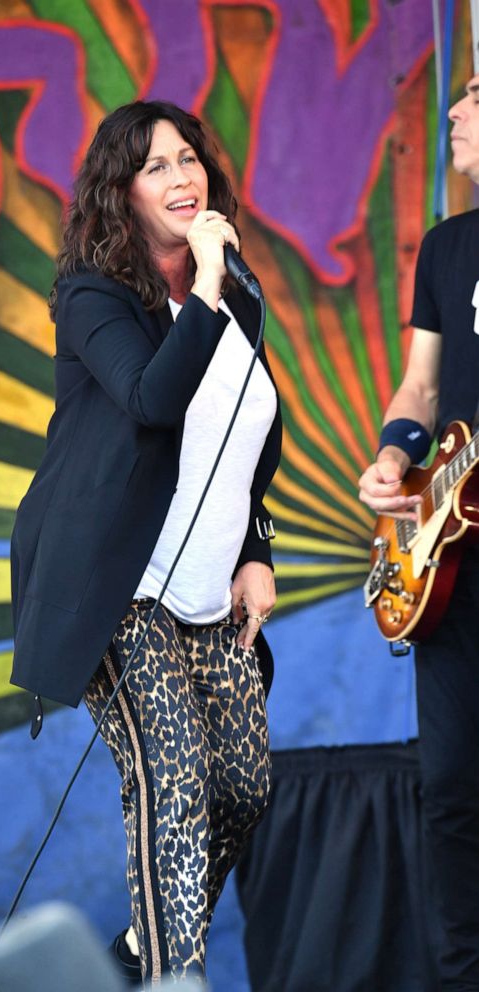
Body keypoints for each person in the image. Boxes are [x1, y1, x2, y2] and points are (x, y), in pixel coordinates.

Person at [10, 100, 282, 985]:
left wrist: (257, 551)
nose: (182, 176)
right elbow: (155, 398)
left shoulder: (238, 298)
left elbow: (250, 439)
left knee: (242, 788)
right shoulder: (95, 296)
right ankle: (174, 977)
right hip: (117, 587)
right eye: (156, 165)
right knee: (174, 783)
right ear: (120, 192)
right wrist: (201, 284)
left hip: (207, 592)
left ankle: (138, 951)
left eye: (189, 157)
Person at [359, 74, 479, 990]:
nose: (451, 111)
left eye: (474, 94)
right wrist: (397, 459)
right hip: (455, 564)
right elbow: (421, 392)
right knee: (450, 796)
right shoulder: (446, 248)